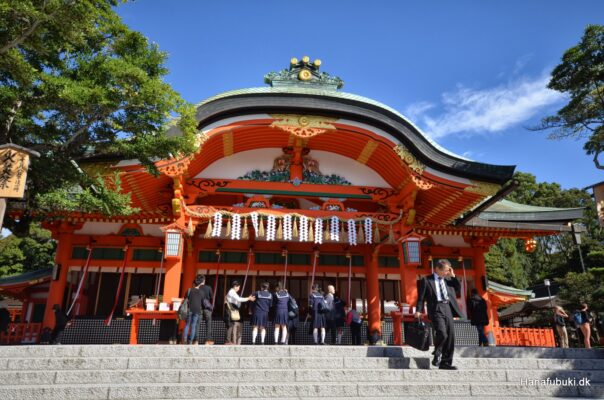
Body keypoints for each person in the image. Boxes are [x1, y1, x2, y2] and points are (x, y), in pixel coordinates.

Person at [415, 259, 465, 370]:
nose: (447, 272)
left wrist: (453, 275)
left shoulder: (448, 280)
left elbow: (458, 288)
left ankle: (445, 363)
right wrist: (418, 310)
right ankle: (437, 353)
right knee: (442, 333)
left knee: (450, 336)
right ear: (437, 269)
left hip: (448, 308)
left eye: (448, 270)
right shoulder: (426, 280)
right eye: (446, 270)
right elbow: (421, 297)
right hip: (435, 308)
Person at [224, 280, 254, 345]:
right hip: (230, 311)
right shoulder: (232, 292)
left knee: (231, 325)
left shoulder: (232, 292)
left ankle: (229, 341)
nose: (239, 289)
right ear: (235, 286)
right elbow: (239, 299)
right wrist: (248, 298)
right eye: (238, 287)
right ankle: (228, 341)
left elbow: (238, 301)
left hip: (232, 310)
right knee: (229, 325)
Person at [182, 275, 205, 345]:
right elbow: (202, 301)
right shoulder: (202, 292)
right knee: (193, 325)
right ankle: (190, 341)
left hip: (189, 309)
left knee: (187, 324)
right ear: (201, 283)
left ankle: (184, 339)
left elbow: (185, 298)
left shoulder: (189, 290)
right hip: (197, 310)